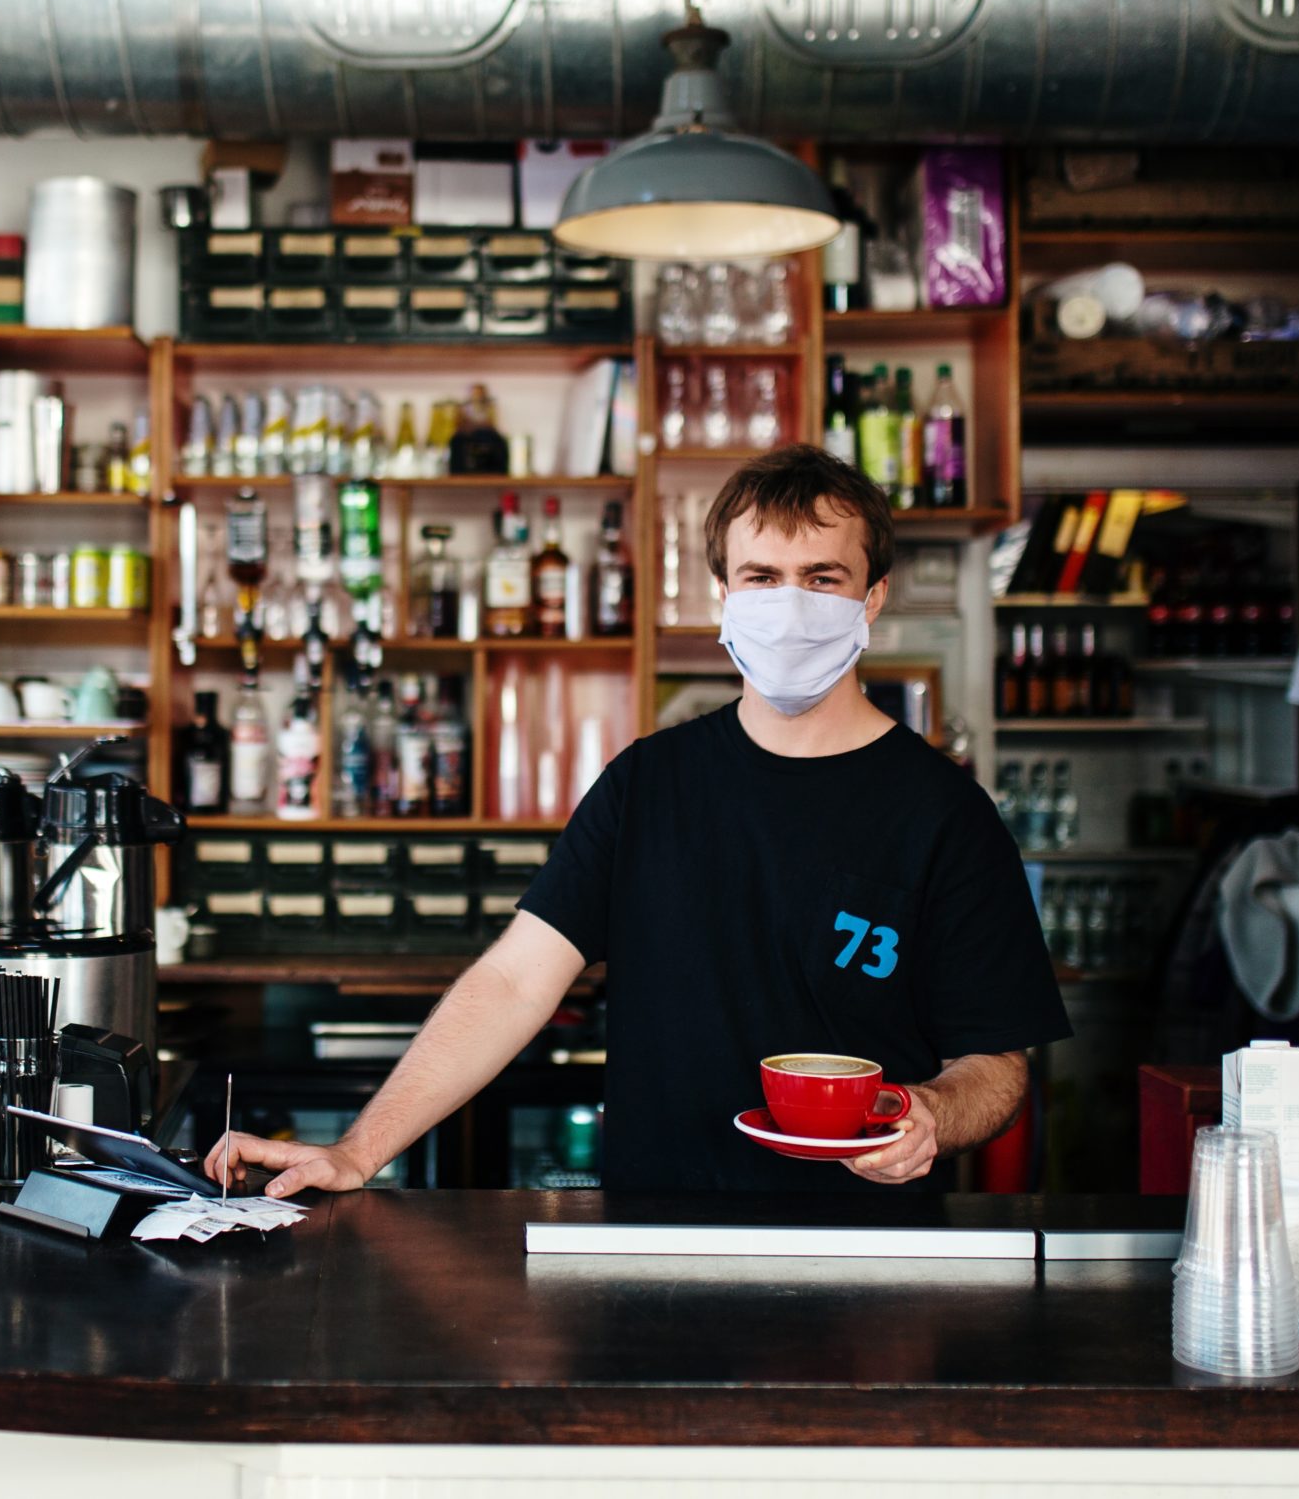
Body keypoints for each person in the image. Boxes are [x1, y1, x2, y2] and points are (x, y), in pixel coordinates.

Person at [207, 446, 1070, 1195]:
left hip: (869, 1244)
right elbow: (514, 983)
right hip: (654, 1228)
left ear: (872, 598)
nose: (791, 604)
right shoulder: (648, 784)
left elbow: (996, 1066)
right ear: (724, 594)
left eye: (823, 578)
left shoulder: (946, 813)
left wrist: (930, 1113)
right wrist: (359, 1151)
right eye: (763, 578)